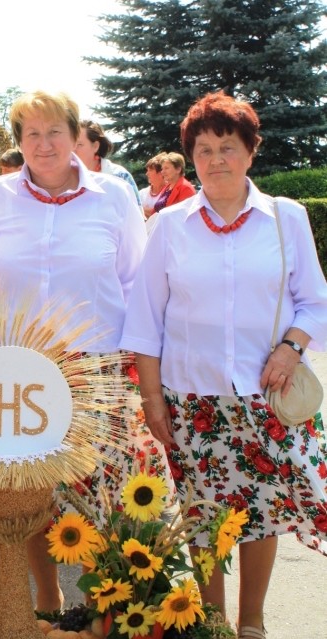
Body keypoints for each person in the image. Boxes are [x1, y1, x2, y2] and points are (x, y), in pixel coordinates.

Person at [120, 91, 327, 639]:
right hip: (194, 398)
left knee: (264, 514)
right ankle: (210, 624)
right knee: (204, 517)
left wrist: (291, 347)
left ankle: (252, 623)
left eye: (228, 147)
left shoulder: (287, 219)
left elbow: (315, 300)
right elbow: (145, 321)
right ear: (192, 157)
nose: (216, 159)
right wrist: (152, 398)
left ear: (251, 152)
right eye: (204, 149)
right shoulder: (169, 227)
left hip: (268, 393)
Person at [0, 90, 169, 612]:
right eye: (30, 133)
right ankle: (49, 599)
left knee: (109, 491)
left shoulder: (114, 196)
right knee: (32, 491)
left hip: (97, 368)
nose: (43, 143)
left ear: (76, 136)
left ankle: (113, 601)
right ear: (18, 143)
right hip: (20, 372)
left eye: (54, 130)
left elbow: (134, 283)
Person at [74, 119, 141, 206]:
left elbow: (136, 216)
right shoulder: (64, 179)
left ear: (95, 146)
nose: (73, 150)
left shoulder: (119, 177)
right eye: (71, 144)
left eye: (79, 145)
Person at [150, 150, 196, 215]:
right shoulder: (167, 187)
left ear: (178, 169)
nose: (162, 172)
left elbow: (185, 215)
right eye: (162, 168)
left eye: (166, 168)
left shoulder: (186, 188)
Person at [139, 152, 167, 219]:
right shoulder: (142, 193)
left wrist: (141, 209)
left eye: (150, 170)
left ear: (161, 173)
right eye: (147, 170)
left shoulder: (170, 192)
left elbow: (164, 214)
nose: (147, 174)